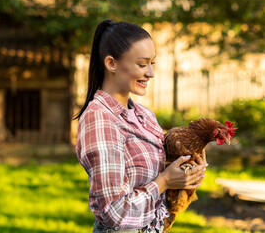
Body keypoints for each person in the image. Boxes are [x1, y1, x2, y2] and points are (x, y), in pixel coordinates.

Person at [75, 20, 207, 233]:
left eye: (152, 63)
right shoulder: (100, 119)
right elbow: (114, 212)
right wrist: (164, 182)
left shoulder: (144, 115)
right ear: (111, 63)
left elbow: (159, 181)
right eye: (142, 64)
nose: (151, 72)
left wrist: (188, 174)